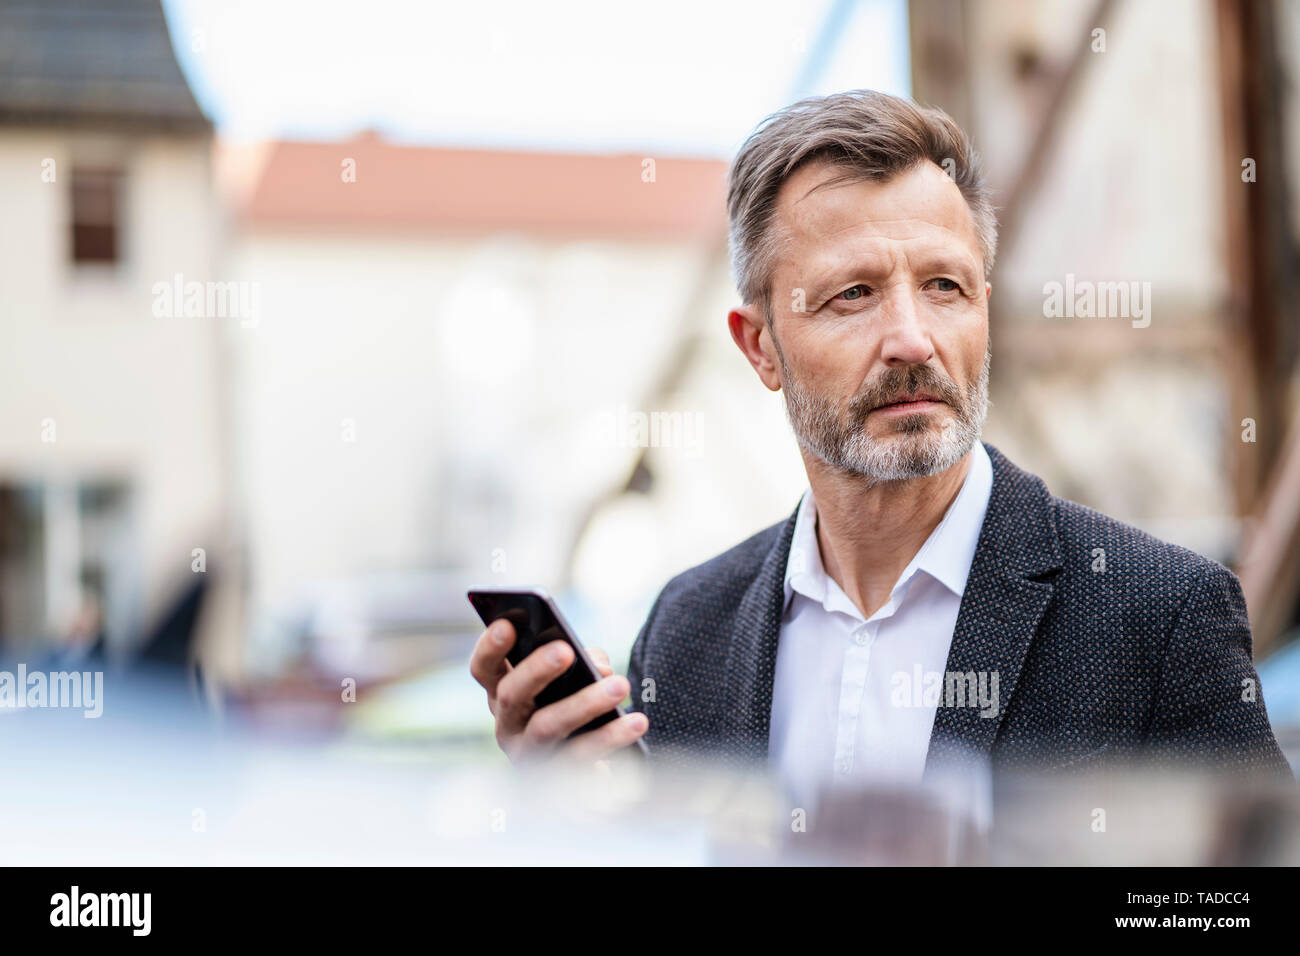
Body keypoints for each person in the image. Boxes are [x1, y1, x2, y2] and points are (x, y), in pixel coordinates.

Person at [469, 89, 1292, 797]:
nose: (912, 339)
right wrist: (574, 812)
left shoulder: (1158, 615)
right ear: (759, 347)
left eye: (944, 287)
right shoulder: (687, 632)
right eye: (853, 294)